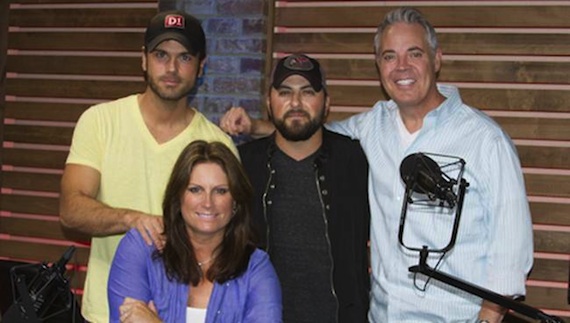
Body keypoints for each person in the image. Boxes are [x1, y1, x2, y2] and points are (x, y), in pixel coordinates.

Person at [220, 7, 533, 323]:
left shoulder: (485, 140)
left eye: (414, 54)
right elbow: (311, 132)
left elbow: (512, 251)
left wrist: (487, 319)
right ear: (379, 66)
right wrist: (258, 128)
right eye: (389, 56)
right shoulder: (372, 127)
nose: (401, 67)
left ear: (437, 59)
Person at [59, 10, 237, 322]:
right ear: (143, 59)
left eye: (184, 57)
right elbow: (71, 209)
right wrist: (132, 219)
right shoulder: (100, 122)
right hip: (104, 312)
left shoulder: (218, 145)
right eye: (160, 55)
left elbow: (230, 240)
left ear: (201, 66)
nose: (171, 68)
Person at [226, 53, 370, 322]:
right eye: (284, 92)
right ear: (269, 102)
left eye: (307, 92)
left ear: (326, 102)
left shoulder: (356, 161)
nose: (295, 103)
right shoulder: (243, 165)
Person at [107, 140, 282, 323]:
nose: (207, 203)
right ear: (179, 197)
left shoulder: (256, 268)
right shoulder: (141, 247)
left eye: (221, 191)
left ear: (235, 203)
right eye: (195, 190)